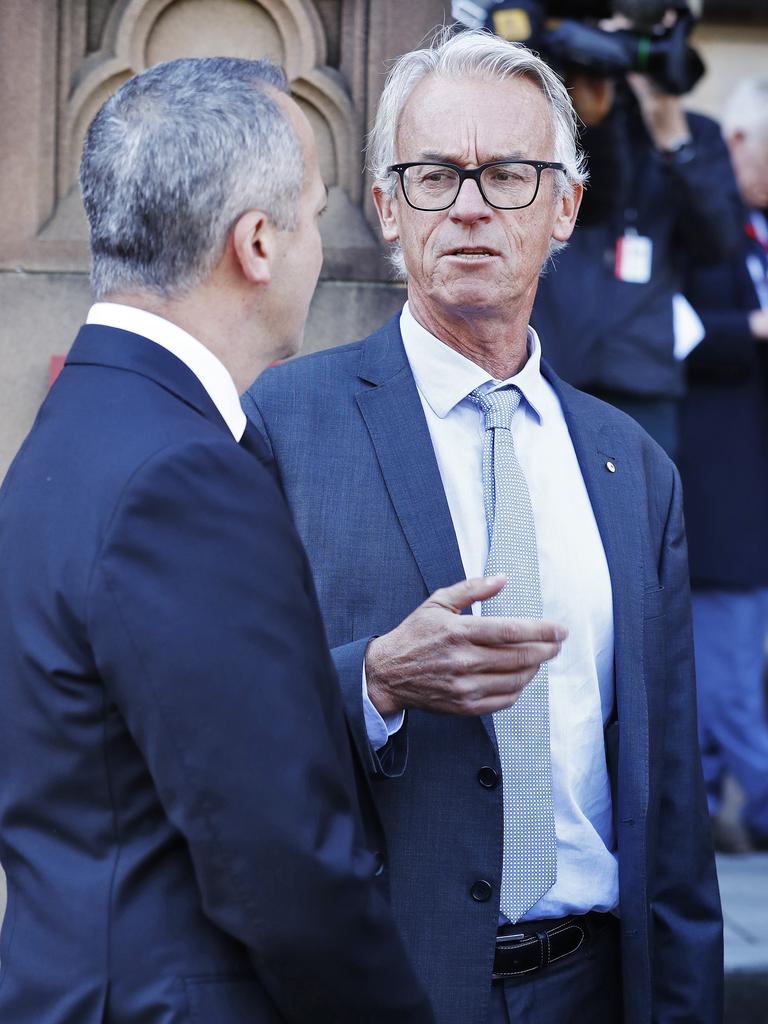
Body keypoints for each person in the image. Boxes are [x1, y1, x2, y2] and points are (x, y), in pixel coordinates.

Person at [244, 29, 722, 1024]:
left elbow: (670, 813)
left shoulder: (635, 470)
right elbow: (204, 717)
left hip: (592, 984)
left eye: (507, 173)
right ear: (386, 207)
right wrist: (373, 679)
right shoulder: (285, 425)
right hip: (372, 988)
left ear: (564, 207)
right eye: (432, 175)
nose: (468, 204)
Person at [0, 57, 434, 1024]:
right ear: (258, 244)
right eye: (316, 214)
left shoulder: (72, 434)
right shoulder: (181, 476)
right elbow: (284, 865)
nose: (322, 243)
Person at [531, 8, 741, 461]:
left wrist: (674, 139)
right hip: (557, 365)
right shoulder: (565, 128)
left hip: (643, 375)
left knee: (642, 521)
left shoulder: (699, 135)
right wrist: (593, 108)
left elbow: (719, 243)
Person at [677, 76, 768, 853]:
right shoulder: (700, 220)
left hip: (750, 484)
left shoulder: (758, 221)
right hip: (719, 481)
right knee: (732, 666)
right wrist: (752, 326)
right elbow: (661, 326)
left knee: (727, 663)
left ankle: (703, 804)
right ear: (736, 142)